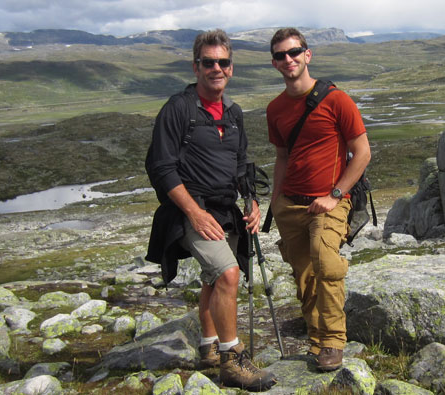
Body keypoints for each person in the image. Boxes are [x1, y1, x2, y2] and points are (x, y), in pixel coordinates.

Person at [144, 29, 275, 391]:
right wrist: (194, 213)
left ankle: (209, 347)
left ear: (231, 67)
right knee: (228, 274)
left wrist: (251, 201)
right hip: (191, 211)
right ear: (196, 67)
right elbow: (161, 167)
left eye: (223, 62)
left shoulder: (233, 113)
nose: (217, 68)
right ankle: (232, 361)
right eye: (208, 62)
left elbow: (241, 164)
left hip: (225, 210)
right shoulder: (178, 109)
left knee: (213, 279)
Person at [265, 27, 371, 372]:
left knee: (326, 263)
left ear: (307, 55)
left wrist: (335, 195)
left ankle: (333, 342)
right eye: (280, 55)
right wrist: (276, 201)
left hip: (329, 201)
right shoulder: (275, 108)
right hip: (290, 204)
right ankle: (315, 340)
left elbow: (362, 152)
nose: (288, 59)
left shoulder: (336, 100)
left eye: (294, 52)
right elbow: (282, 156)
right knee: (304, 275)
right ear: (274, 62)